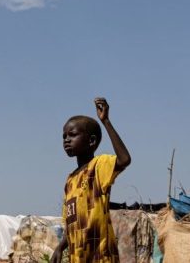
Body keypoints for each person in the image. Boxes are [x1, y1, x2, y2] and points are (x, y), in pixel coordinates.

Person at [50, 97, 131, 263]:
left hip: (100, 256)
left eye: (72, 135)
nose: (66, 139)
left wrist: (106, 121)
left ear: (91, 141)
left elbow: (124, 160)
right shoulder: (70, 180)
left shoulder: (98, 166)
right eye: (64, 136)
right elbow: (70, 221)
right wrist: (60, 247)